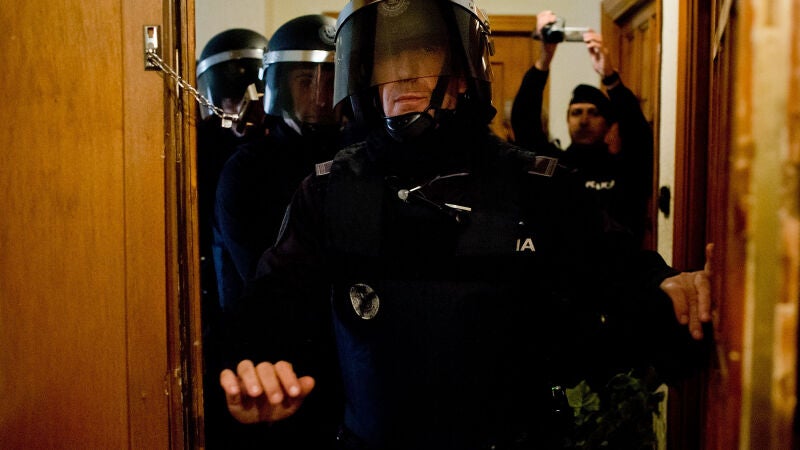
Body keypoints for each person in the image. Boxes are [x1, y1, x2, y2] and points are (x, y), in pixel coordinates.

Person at [220, 1, 711, 449]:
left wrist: (668, 287)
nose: (404, 72)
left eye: (424, 51)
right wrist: (257, 367)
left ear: (462, 72)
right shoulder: (330, 190)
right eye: (387, 57)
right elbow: (269, 309)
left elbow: (622, 273)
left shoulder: (537, 186)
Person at [210, 15, 350, 449]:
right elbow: (265, 279)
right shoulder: (247, 168)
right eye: (306, 80)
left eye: (333, 80)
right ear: (279, 85)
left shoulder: (361, 160)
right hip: (270, 361)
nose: (321, 95)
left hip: (349, 357)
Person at [511, 10, 654, 247]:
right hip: (564, 267)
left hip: (618, 266)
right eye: (576, 112)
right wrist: (544, 60)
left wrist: (610, 77)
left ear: (608, 122)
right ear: (567, 120)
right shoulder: (554, 165)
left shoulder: (626, 168)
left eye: (593, 112)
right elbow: (525, 126)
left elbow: (638, 134)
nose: (584, 120)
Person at [195, 28, 270, 449]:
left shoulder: (273, 153)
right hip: (214, 300)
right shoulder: (198, 149)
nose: (241, 107)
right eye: (228, 97)